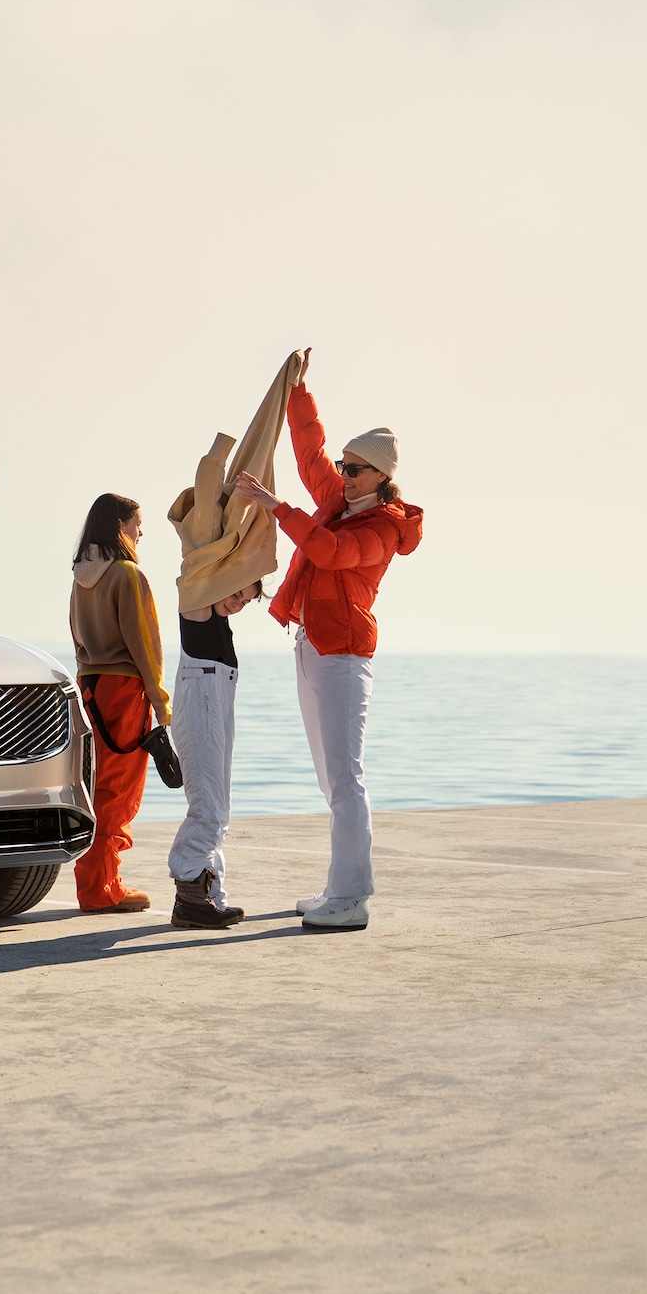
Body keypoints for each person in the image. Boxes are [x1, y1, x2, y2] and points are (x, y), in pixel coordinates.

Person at [230, 360, 422, 934]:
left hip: (344, 657)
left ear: (381, 476)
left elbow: (331, 554)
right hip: (312, 646)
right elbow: (309, 453)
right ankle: (339, 885)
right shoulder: (339, 500)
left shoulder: (384, 526)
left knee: (345, 777)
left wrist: (275, 506)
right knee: (328, 777)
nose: (343, 474)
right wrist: (298, 391)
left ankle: (352, 897)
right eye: (344, 465)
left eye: (355, 469)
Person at [67, 492, 172, 914]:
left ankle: (94, 881)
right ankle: (102, 889)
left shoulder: (81, 574)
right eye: (135, 524)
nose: (140, 532)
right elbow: (146, 646)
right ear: (118, 527)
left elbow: (75, 634)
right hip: (124, 691)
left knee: (94, 786)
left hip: (87, 685)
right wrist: (161, 702)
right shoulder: (128, 574)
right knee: (120, 791)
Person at [163, 586, 256, 929]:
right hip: (201, 712)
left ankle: (207, 894)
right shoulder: (198, 607)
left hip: (215, 710)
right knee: (208, 809)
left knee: (220, 810)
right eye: (237, 595)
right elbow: (195, 568)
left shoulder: (219, 619)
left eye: (246, 602)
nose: (239, 605)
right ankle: (190, 893)